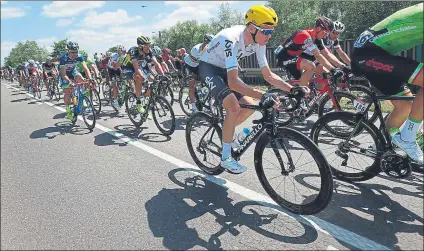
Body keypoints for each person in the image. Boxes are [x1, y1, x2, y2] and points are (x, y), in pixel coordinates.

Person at [198, 5, 305, 174]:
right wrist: (264, 95)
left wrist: (292, 89)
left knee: (248, 105)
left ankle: (227, 131)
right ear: (252, 28)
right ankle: (226, 158)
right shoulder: (231, 39)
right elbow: (233, 83)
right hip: (208, 67)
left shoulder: (258, 41)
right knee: (233, 107)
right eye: (266, 32)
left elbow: (268, 75)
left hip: (224, 69)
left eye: (271, 32)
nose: (269, 37)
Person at [351, 2, 423, 163]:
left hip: (379, 54)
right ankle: (407, 138)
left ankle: (380, 146)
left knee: (405, 106)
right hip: (369, 54)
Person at [274, 16, 344, 89]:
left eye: (327, 33)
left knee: (320, 68)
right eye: (325, 32)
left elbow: (327, 54)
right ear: (318, 29)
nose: (325, 35)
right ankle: (303, 95)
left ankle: (315, 95)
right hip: (283, 57)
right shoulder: (305, 35)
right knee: (310, 66)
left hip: (294, 56)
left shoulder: (316, 38)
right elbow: (318, 55)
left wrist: (342, 67)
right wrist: (333, 69)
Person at [58, 41, 93, 121]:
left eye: (76, 52)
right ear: (68, 51)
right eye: (72, 52)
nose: (74, 54)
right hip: (65, 74)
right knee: (67, 91)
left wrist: (90, 78)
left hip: (73, 71)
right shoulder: (63, 58)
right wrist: (69, 82)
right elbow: (63, 74)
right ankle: (67, 109)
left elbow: (85, 68)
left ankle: (82, 98)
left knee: (82, 80)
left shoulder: (80, 56)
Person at [184, 34, 214, 113]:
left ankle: (202, 96)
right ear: (205, 42)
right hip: (189, 66)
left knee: (208, 80)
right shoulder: (196, 49)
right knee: (192, 85)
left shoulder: (210, 49)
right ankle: (194, 107)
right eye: (209, 44)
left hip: (197, 66)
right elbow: (204, 61)